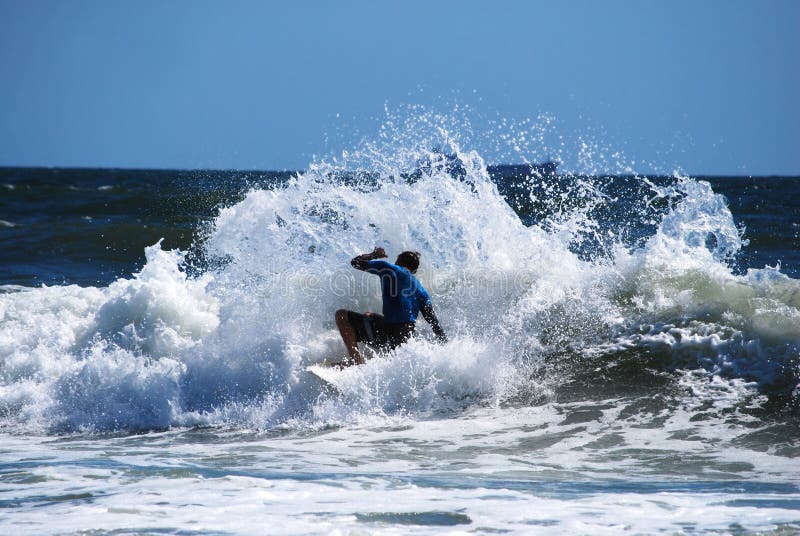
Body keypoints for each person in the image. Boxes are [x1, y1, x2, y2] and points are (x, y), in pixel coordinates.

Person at [335, 247, 447, 366]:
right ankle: (374, 358)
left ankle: (356, 360)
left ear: (398, 262)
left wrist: (374, 254)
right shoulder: (421, 290)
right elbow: (434, 324)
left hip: (390, 334)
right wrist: (446, 349)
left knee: (341, 315)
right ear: (414, 271)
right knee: (369, 315)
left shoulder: (390, 269)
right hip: (406, 340)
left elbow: (356, 262)